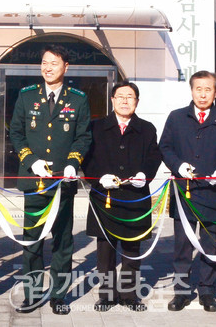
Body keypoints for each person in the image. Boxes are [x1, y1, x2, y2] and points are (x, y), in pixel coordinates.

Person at [10, 45, 92, 315]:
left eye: (54, 63)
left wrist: (72, 163)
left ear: (65, 67)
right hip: (34, 182)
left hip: (62, 183)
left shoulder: (78, 99)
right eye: (44, 62)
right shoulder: (26, 96)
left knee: (62, 239)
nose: (48, 67)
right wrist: (30, 160)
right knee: (32, 239)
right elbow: (16, 133)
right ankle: (32, 294)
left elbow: (83, 137)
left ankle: (58, 295)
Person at [159, 70, 216, 312]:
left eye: (208, 90)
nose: (203, 94)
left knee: (211, 245)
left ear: (215, 93)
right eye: (198, 89)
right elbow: (165, 146)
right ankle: (181, 292)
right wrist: (178, 165)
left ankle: (207, 291)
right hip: (185, 192)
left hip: (214, 193)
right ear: (191, 91)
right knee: (182, 246)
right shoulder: (176, 117)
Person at [84, 81, 162, 312]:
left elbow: (153, 156)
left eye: (130, 97)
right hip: (104, 196)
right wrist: (97, 178)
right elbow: (86, 159)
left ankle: (129, 295)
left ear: (137, 102)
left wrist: (145, 175)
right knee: (105, 250)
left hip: (134, 197)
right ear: (112, 100)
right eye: (120, 96)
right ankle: (106, 295)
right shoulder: (96, 127)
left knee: (131, 249)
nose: (125, 101)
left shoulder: (147, 128)